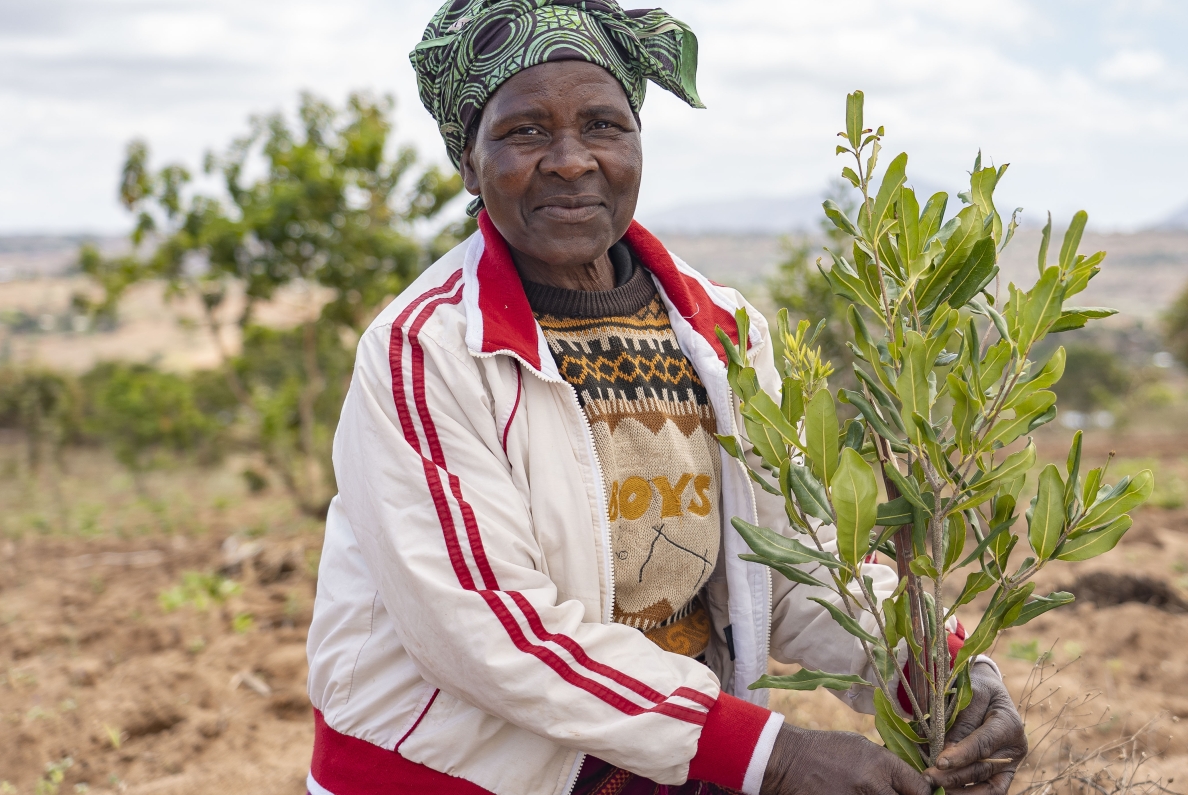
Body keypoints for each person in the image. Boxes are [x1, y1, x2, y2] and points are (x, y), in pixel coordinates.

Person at [304, 2, 1027, 794]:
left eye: (604, 126)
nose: (573, 160)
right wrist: (770, 754)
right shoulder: (425, 349)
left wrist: (941, 674)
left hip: (670, 753)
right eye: (526, 131)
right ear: (470, 165)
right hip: (459, 771)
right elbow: (489, 630)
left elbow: (798, 557)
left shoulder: (721, 329)